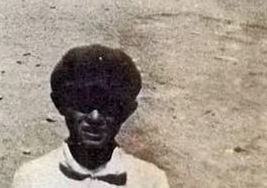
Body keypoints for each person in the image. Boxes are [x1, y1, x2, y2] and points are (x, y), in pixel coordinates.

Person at [13, 44, 169, 187]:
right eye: (84, 104)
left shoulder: (148, 180)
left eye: (108, 106)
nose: (95, 118)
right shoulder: (33, 177)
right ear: (61, 104)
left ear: (126, 112)